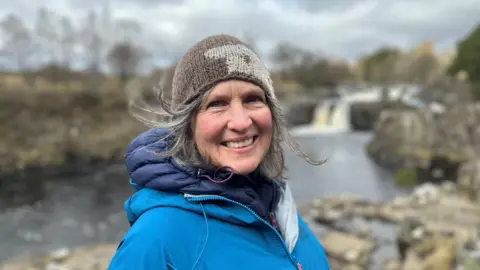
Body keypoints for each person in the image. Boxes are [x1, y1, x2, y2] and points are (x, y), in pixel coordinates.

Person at [108, 34, 330, 270]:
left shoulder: (276, 205)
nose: (241, 122)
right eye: (216, 104)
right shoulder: (156, 241)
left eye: (252, 99)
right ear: (188, 125)